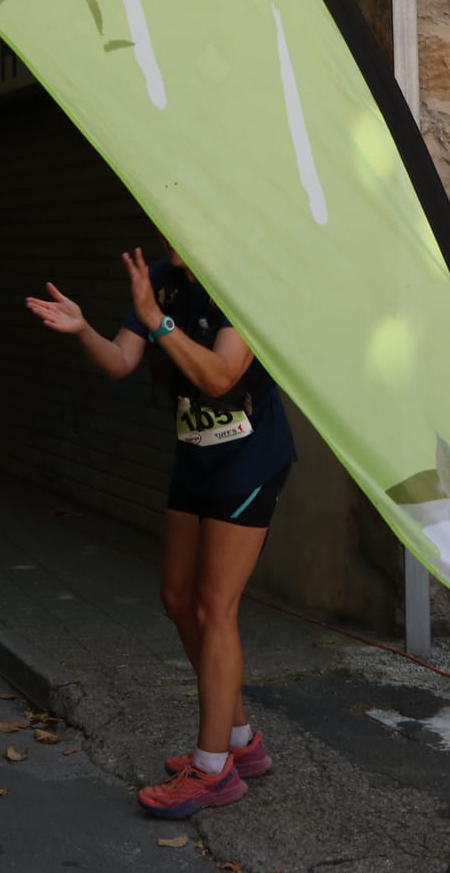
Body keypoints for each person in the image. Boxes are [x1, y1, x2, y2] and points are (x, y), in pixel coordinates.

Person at [25, 241, 296, 819]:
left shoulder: (241, 277)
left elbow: (222, 377)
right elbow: (121, 362)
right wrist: (82, 330)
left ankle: (214, 768)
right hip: (196, 457)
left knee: (214, 607)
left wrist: (157, 321)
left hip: (250, 460)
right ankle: (242, 743)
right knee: (176, 598)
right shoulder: (157, 279)